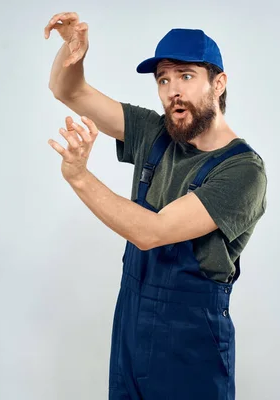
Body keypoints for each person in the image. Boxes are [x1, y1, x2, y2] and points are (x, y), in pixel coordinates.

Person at [44, 12, 267, 400]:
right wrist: (73, 51)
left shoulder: (243, 171)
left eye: (185, 76)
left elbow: (153, 232)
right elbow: (70, 92)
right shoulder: (155, 132)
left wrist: (80, 176)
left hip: (190, 342)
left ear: (219, 84)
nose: (172, 91)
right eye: (163, 79)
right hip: (131, 323)